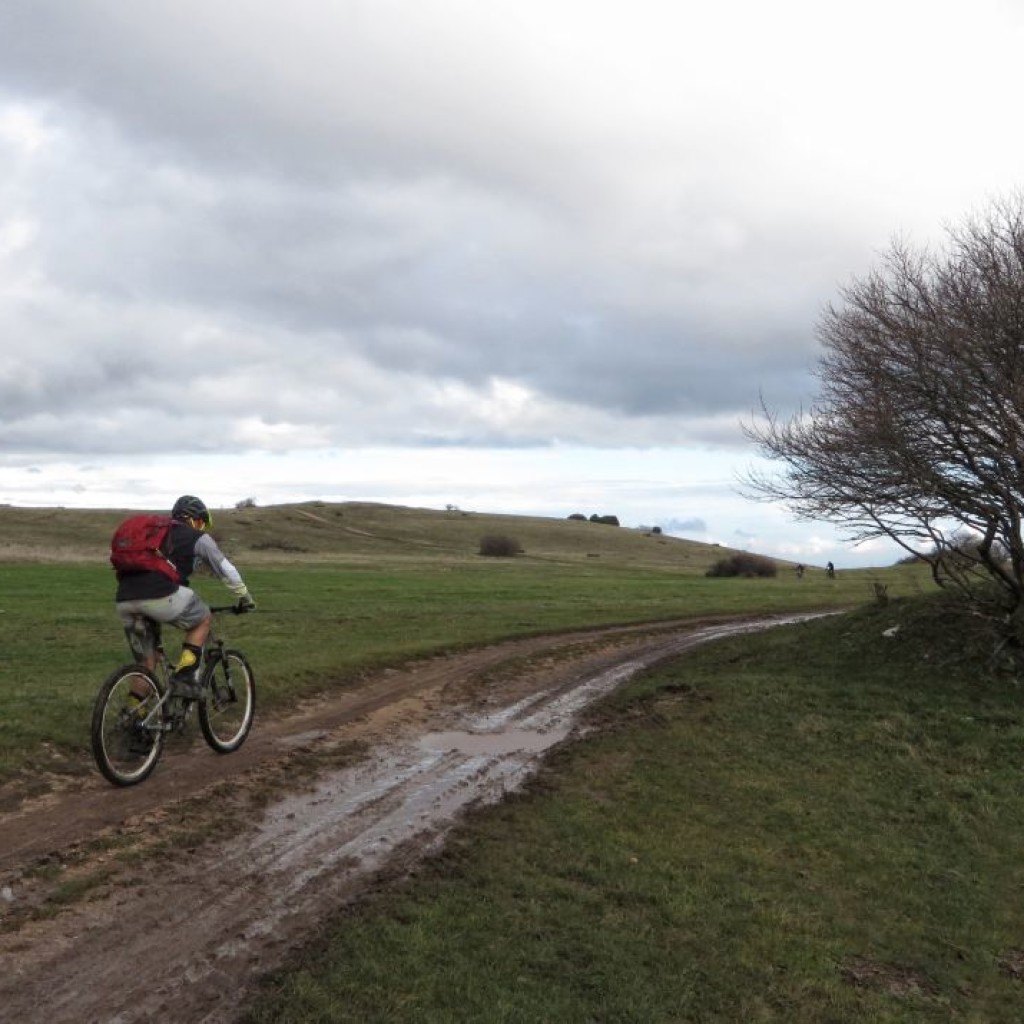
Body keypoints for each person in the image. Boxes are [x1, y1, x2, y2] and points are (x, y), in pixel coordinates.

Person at [114, 495, 256, 697]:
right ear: (194, 519)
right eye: (201, 522)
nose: (202, 528)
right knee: (203, 617)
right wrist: (245, 597)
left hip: (125, 598)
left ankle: (134, 716)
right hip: (159, 594)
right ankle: (184, 678)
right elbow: (227, 570)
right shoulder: (197, 537)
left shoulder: (156, 535)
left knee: (147, 663)